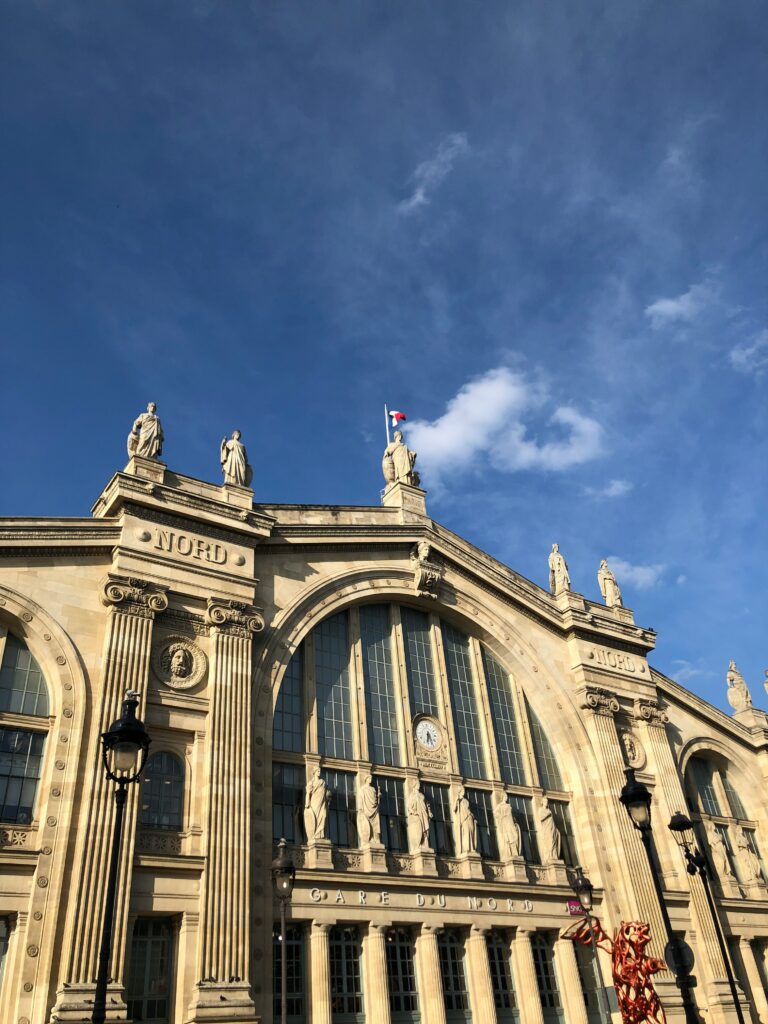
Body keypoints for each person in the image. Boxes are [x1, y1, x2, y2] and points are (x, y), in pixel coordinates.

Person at [304, 768, 330, 842]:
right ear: (314, 772)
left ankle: (321, 835)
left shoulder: (323, 782)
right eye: (318, 771)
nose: (319, 772)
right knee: (315, 818)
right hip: (314, 802)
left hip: (322, 803)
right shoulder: (311, 783)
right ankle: (315, 835)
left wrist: (327, 799)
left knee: (323, 816)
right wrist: (307, 803)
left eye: (320, 771)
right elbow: (308, 793)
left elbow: (326, 793)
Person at [493, 793, 522, 858]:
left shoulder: (509, 805)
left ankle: (515, 853)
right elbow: (495, 812)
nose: (506, 797)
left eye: (506, 796)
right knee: (508, 838)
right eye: (505, 796)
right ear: (502, 797)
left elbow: (511, 815)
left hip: (510, 822)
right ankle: (510, 853)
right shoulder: (500, 805)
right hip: (505, 822)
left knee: (514, 836)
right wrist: (502, 816)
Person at [407, 782, 432, 853]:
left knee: (425, 829)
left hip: (423, 813)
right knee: (419, 828)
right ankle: (419, 844)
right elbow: (409, 806)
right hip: (417, 814)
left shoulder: (421, 795)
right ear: (414, 785)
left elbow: (426, 805)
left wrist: (429, 812)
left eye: (419, 785)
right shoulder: (412, 795)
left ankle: (425, 844)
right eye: (417, 784)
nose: (419, 786)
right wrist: (413, 811)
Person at [357, 774, 381, 844]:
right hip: (366, 809)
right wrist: (360, 808)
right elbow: (361, 799)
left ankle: (376, 839)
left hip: (374, 809)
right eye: (369, 778)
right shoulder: (363, 789)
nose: (370, 779)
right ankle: (368, 839)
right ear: (366, 779)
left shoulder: (373, 789)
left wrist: (378, 797)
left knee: (376, 825)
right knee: (367, 824)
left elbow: (375, 801)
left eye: (371, 778)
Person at [454, 786, 478, 854]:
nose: (464, 792)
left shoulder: (466, 801)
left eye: (464, 791)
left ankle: (472, 848)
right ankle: (467, 848)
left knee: (471, 832)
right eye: (462, 791)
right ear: (460, 791)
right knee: (466, 832)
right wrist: (457, 800)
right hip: (464, 819)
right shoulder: (458, 800)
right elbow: (454, 808)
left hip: (469, 817)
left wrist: (473, 817)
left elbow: (468, 810)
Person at [538, 797, 561, 862]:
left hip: (552, 828)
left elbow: (552, 821)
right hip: (546, 829)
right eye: (545, 801)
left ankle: (554, 856)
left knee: (553, 841)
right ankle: (549, 857)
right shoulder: (541, 810)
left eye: (547, 802)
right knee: (549, 841)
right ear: (542, 802)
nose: (546, 803)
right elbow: (541, 818)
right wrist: (547, 814)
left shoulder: (549, 810)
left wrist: (555, 829)